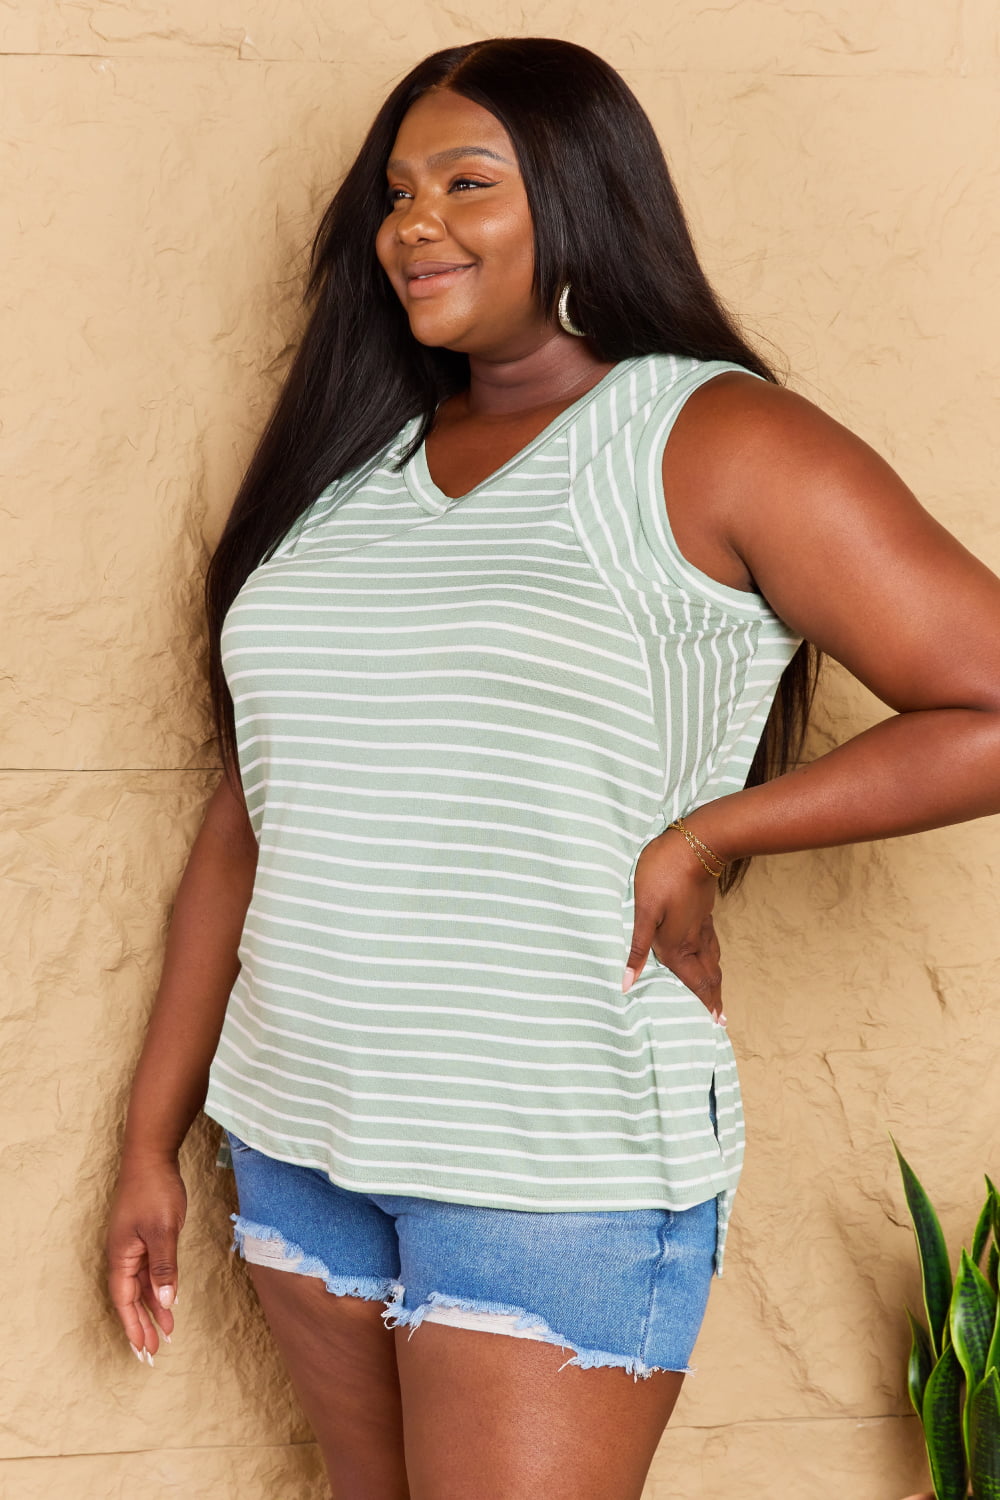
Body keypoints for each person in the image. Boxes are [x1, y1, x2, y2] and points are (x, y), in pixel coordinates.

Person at [105, 36, 1000, 1500]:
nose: (414, 224)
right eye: (395, 192)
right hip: (297, 1132)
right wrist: (153, 1135)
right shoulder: (355, 469)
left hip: (557, 1166)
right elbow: (251, 824)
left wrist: (708, 837)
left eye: (469, 182)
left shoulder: (710, 436)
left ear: (584, 200)